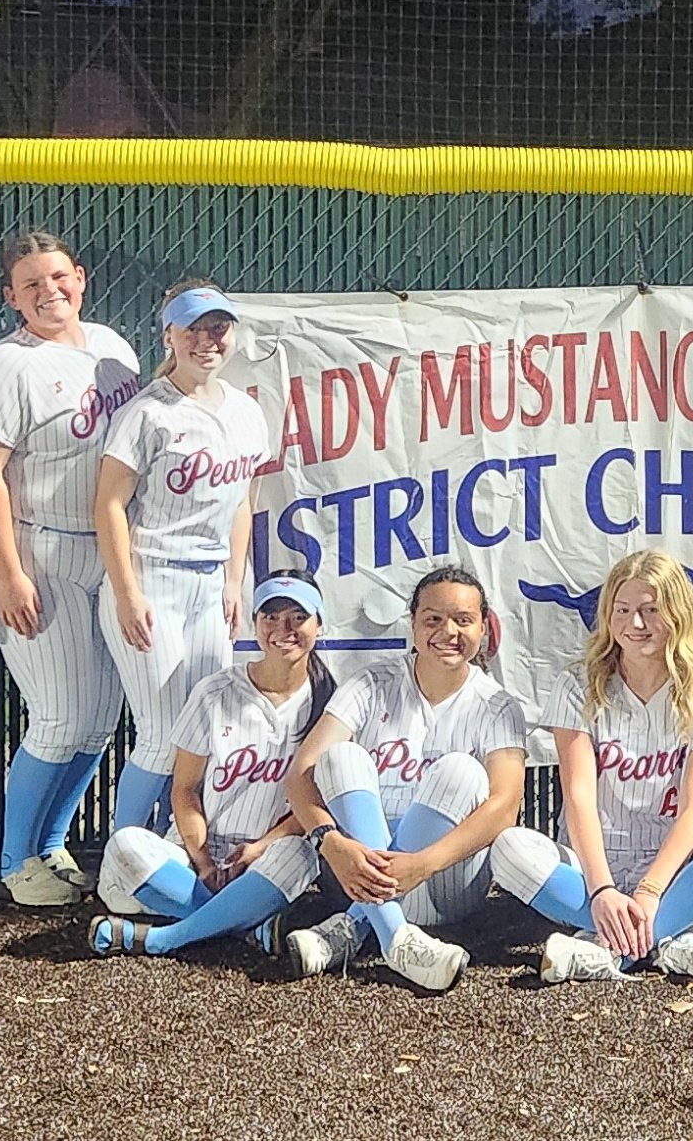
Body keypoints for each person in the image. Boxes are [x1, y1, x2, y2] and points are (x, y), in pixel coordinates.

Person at [491, 550, 693, 983]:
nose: (634, 624)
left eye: (650, 611)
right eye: (622, 610)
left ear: (677, 615)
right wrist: (603, 891)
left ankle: (605, 952)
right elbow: (579, 796)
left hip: (671, 868)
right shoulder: (577, 685)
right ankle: (668, 940)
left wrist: (651, 889)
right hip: (591, 864)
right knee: (508, 848)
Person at [0, 231, 141, 906]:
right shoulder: (9, 364)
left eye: (58, 277)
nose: (49, 292)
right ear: (9, 296)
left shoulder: (113, 349)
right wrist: (9, 572)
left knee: (99, 716)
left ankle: (51, 843)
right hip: (38, 548)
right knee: (62, 714)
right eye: (31, 284)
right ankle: (15, 862)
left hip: (105, 549)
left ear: (82, 278)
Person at [279, 566, 529, 992]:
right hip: (354, 871)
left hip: (444, 885)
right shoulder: (371, 682)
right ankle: (397, 937)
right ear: (412, 623)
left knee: (461, 771)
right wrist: (330, 841)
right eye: (432, 619)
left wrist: (421, 864)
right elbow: (301, 775)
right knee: (340, 756)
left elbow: (505, 806)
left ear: (484, 627)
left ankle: (355, 928)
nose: (447, 631)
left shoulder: (497, 705)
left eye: (463, 620)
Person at [94, 283, 268, 833]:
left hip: (210, 584)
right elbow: (110, 504)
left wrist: (235, 582)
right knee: (164, 730)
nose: (206, 340)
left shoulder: (245, 411)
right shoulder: (147, 412)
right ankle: (122, 857)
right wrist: (126, 592)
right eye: (192, 327)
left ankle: (175, 847)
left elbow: (243, 502)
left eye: (217, 327)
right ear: (168, 334)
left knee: (203, 731)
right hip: (152, 579)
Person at [88, 572, 330, 957]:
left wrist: (258, 848)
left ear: (320, 624)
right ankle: (246, 927)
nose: (283, 628)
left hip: (268, 854)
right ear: (255, 623)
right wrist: (202, 861)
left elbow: (319, 804)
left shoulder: (330, 701)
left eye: (297, 617)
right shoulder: (217, 690)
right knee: (124, 845)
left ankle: (164, 938)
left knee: (301, 855)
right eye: (270, 616)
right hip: (195, 851)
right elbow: (184, 789)